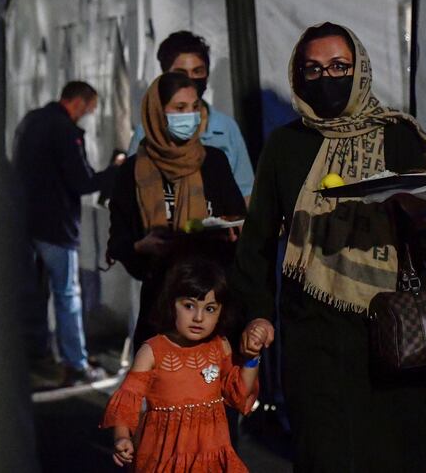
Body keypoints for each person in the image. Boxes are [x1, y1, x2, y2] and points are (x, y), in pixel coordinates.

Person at [231, 22, 426, 472]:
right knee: (328, 453)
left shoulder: (399, 136)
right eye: (313, 70)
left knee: (403, 453)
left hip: (396, 328)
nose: (326, 78)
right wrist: (257, 313)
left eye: (338, 66)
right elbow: (257, 239)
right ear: (298, 77)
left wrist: (413, 209)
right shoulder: (286, 146)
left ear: (359, 69)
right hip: (315, 332)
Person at [108, 72, 246, 352]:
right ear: (157, 113)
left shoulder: (213, 162)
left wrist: (233, 232)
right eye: (179, 108)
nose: (190, 116)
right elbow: (118, 242)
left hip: (214, 309)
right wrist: (142, 246)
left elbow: (236, 216)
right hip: (161, 309)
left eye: (195, 107)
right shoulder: (132, 171)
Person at [102, 257, 262, 472]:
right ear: (171, 304)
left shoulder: (219, 346)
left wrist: (252, 357)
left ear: (221, 312)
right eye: (189, 306)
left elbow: (239, 394)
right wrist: (122, 437)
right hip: (164, 455)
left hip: (210, 453)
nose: (198, 317)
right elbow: (127, 401)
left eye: (210, 309)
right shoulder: (153, 351)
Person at [13, 80, 124, 385]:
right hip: (56, 227)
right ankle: (75, 363)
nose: (88, 115)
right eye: (89, 109)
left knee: (34, 294)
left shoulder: (30, 121)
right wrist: (115, 172)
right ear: (77, 102)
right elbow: (82, 182)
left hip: (25, 223)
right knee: (67, 295)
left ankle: (37, 358)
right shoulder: (65, 131)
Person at [127, 30, 254, 202]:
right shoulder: (148, 131)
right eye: (181, 73)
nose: (190, 79)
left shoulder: (225, 128)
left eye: (198, 71)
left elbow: (245, 191)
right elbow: (131, 192)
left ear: (207, 74)